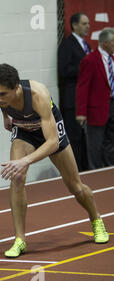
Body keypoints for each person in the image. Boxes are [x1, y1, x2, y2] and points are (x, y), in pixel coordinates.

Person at [0, 63, 109, 258]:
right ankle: (20, 239)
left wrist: (25, 161)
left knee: (75, 186)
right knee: (17, 179)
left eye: (3, 95)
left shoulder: (37, 96)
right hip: (24, 131)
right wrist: (5, 116)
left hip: (49, 132)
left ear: (16, 88)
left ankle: (96, 219)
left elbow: (52, 143)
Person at [76, 28, 114, 169]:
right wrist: (81, 112)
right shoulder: (90, 60)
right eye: (113, 42)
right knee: (95, 146)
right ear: (105, 43)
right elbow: (82, 87)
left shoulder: (113, 59)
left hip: (112, 105)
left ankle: (109, 169)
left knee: (110, 143)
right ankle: (95, 174)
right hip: (96, 110)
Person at [58, 12, 91, 171]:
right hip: (72, 100)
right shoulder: (67, 45)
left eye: (88, 23)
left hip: (86, 99)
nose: (88, 27)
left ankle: (86, 167)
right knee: (75, 137)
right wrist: (85, 68)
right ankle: (75, 170)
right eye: (84, 23)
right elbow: (65, 70)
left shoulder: (87, 45)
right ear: (75, 25)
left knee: (86, 138)